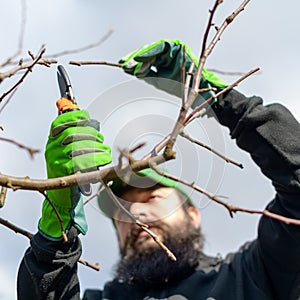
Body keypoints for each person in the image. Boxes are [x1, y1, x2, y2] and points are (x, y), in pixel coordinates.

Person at [17, 40, 300, 300]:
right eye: (123, 212)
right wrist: (58, 218)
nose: (136, 214)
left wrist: (218, 97)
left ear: (193, 215)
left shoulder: (250, 275)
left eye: (152, 198)